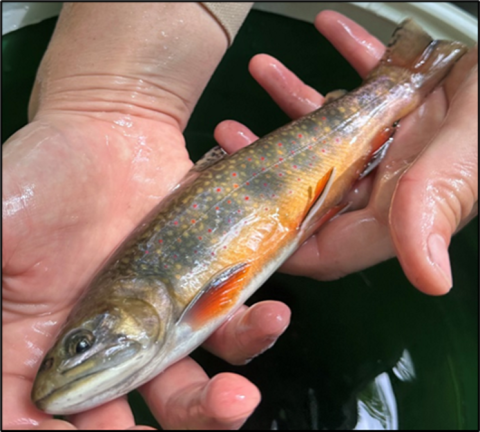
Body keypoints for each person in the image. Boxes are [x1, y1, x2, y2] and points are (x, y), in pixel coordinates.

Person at [2, 3, 477, 430]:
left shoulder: (183, 305)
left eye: (80, 344)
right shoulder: (158, 309)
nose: (74, 359)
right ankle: (407, 78)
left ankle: (401, 83)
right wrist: (99, 106)